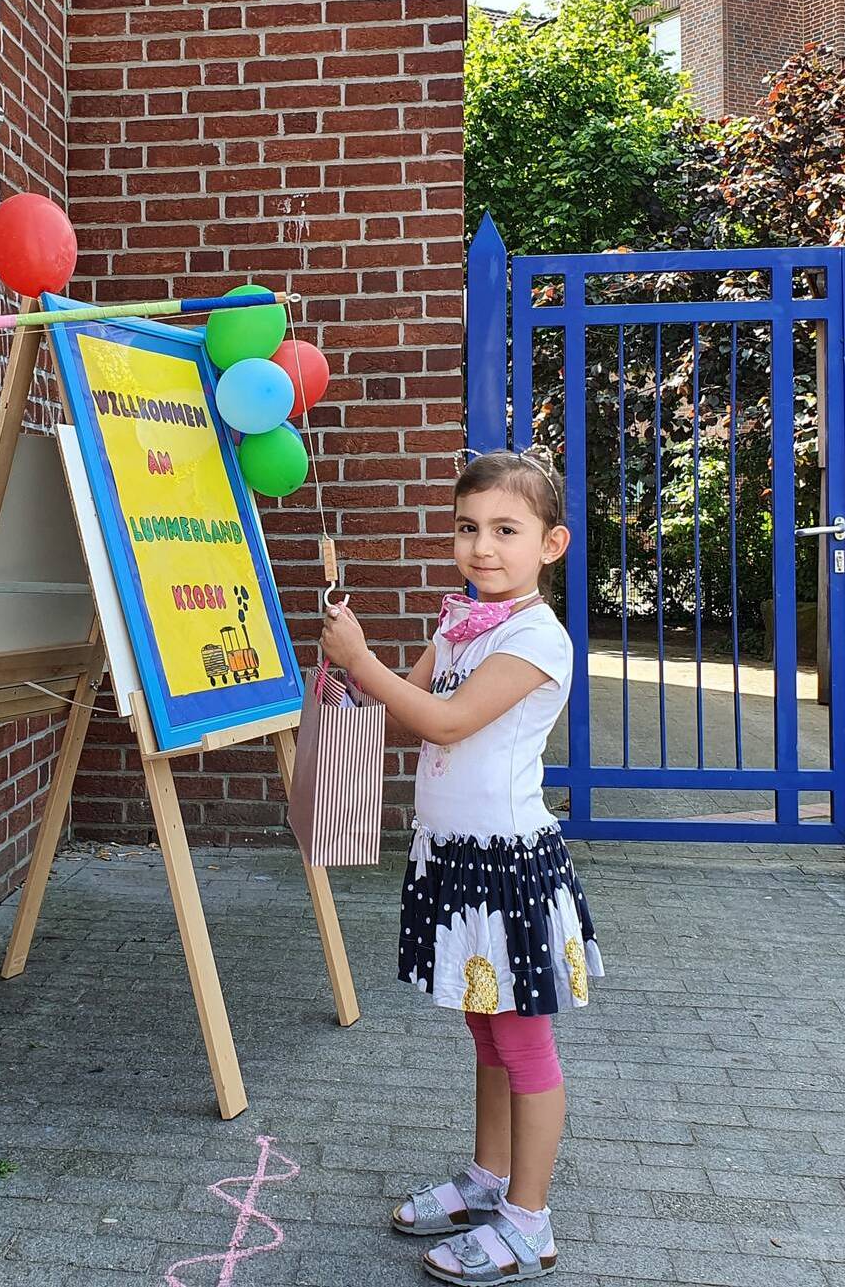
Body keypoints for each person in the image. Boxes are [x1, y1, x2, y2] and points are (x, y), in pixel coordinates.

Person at [319, 445, 604, 1285]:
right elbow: (399, 706)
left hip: (508, 870)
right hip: (454, 861)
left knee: (523, 1042)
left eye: (505, 530)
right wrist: (346, 673)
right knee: (486, 1031)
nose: (482, 547)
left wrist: (364, 660)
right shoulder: (460, 621)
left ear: (550, 544)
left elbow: (446, 722)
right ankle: (487, 1180)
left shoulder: (537, 637)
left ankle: (529, 1221)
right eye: (468, 528)